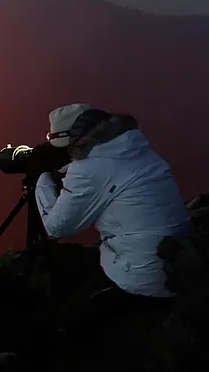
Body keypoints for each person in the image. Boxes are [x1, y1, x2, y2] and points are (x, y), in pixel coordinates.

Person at [36, 103, 191, 299]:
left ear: (73, 140)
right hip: (178, 262)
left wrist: (41, 181)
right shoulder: (136, 147)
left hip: (143, 276)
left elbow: (56, 227)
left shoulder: (87, 170)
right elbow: (112, 174)